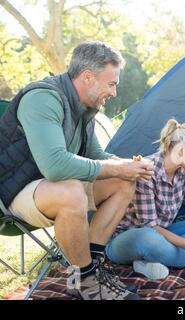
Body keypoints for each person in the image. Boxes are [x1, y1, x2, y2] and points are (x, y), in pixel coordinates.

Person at [0, 41, 154, 300]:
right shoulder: (42, 98)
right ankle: (86, 284)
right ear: (87, 77)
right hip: (11, 193)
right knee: (71, 191)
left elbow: (96, 157)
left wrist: (129, 167)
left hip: (48, 188)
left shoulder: (85, 109)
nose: (114, 92)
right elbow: (55, 166)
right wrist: (118, 166)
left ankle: (93, 273)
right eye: (111, 83)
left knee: (122, 182)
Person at [106, 119, 185, 279]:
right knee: (148, 240)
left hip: (164, 233)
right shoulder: (147, 171)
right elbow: (151, 227)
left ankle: (152, 261)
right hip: (130, 238)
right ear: (181, 150)